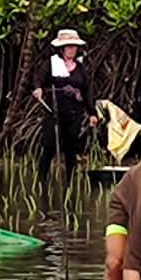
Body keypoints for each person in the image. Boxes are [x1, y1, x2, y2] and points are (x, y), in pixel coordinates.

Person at [32, 29, 101, 185]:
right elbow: (39, 79)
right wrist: (38, 89)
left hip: (74, 114)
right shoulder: (51, 63)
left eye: (74, 46)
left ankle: (70, 182)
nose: (71, 49)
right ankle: (42, 182)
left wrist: (92, 113)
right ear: (61, 48)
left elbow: (87, 91)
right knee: (49, 147)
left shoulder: (81, 68)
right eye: (68, 46)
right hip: (53, 112)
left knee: (71, 148)